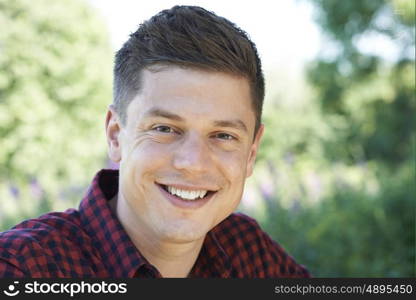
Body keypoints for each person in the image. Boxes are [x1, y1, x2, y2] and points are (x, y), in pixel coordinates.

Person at [0, 5, 310, 278]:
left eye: (223, 135)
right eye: (165, 128)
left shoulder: (249, 253)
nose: (192, 162)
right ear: (116, 135)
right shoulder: (22, 268)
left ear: (251, 153)